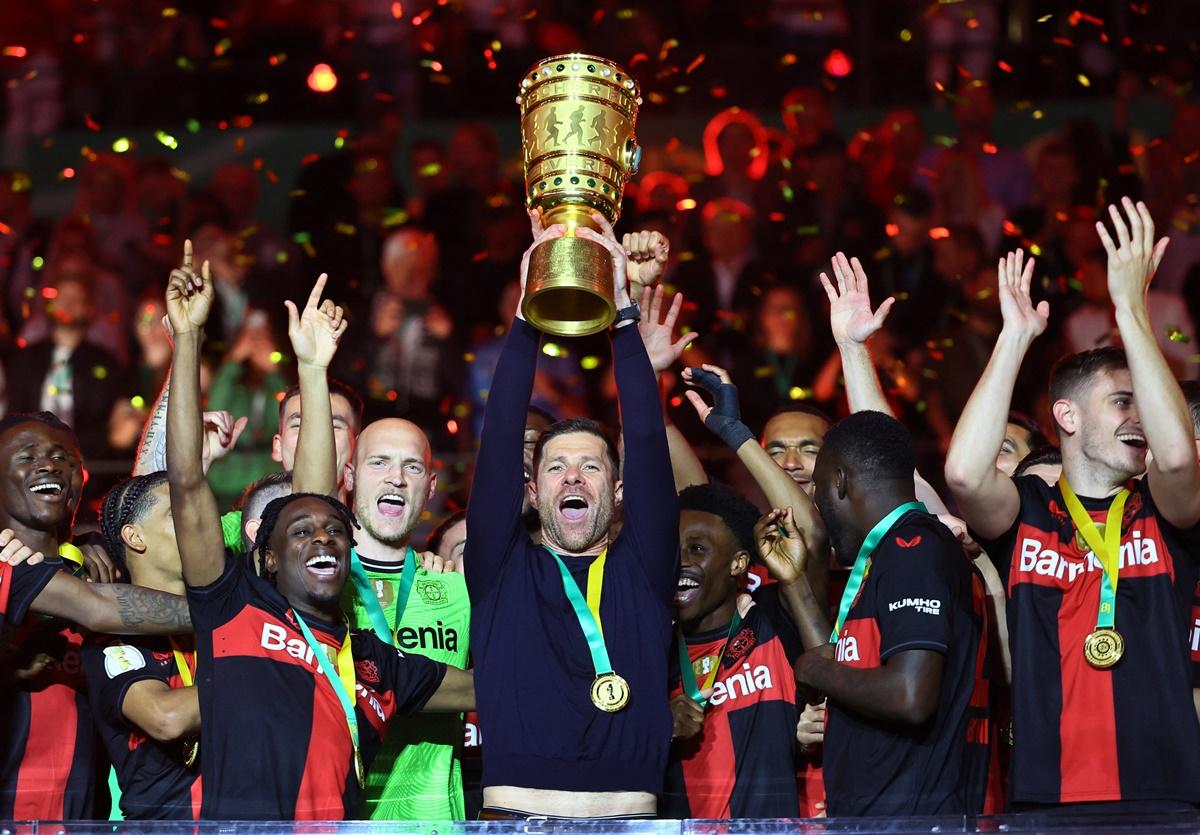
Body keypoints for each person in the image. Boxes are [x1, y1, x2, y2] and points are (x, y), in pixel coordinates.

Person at [163, 253, 473, 820]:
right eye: (301, 534)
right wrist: (188, 338)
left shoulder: (368, 657)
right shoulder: (233, 608)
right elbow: (185, 482)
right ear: (268, 553)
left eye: (336, 531)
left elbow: (492, 689)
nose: (323, 540)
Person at [945, 201, 1200, 810]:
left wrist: (1132, 311)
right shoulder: (1029, 508)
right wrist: (1013, 338)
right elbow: (962, 471)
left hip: (1164, 795)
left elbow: (1182, 459)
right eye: (1120, 403)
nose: (1138, 417)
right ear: (1066, 416)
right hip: (1046, 793)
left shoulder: (1161, 507)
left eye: (1143, 403)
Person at [465, 213, 678, 819]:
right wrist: (531, 311)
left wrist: (623, 314)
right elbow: (502, 435)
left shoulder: (643, 570)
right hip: (514, 819)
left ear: (616, 490)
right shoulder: (502, 572)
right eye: (557, 468)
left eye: (591, 467)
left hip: (630, 822)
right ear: (531, 491)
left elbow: (644, 434)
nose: (575, 477)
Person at [792, 410, 991, 816]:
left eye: (817, 488)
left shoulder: (913, 551)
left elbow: (909, 696)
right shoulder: (898, 555)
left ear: (840, 481)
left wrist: (812, 669)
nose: (818, 503)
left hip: (913, 819)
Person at [0, 412, 192, 820]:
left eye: (61, 457)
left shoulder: (97, 566)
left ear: (82, 476)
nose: (48, 465)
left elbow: (144, 504)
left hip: (87, 821)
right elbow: (101, 610)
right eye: (26, 456)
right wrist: (239, 620)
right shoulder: (6, 567)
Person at [341, 418, 472, 820]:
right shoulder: (321, 584)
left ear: (431, 487)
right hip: (334, 821)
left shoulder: (458, 590)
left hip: (431, 821)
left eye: (412, 467)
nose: (396, 478)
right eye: (379, 462)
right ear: (350, 476)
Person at [662, 484, 809, 818]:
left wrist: (730, 430)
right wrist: (657, 728)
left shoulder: (771, 625)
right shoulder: (650, 652)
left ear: (739, 562)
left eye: (697, 549)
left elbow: (811, 534)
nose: (680, 561)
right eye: (672, 549)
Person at [84, 471, 201, 820]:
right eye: (177, 512)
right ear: (135, 537)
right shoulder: (110, 641)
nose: (196, 520)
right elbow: (166, 717)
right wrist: (266, 668)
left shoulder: (218, 617)